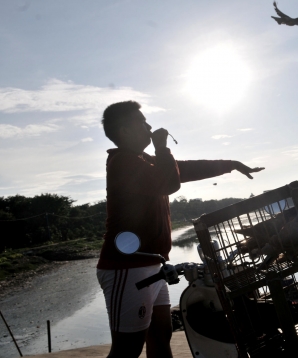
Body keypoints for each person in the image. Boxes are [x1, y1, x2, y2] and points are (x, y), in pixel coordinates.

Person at [96, 100, 264, 358]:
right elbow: (169, 181)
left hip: (153, 265)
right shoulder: (122, 163)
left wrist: (231, 164)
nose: (149, 126)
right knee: (126, 350)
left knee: (161, 339)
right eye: (141, 121)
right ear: (124, 130)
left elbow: (182, 169)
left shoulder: (142, 161)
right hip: (126, 267)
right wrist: (162, 146)